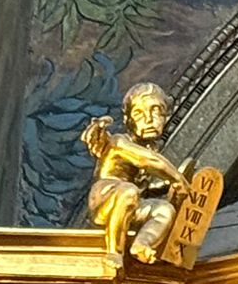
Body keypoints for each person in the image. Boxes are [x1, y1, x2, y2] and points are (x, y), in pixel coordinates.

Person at [80, 83, 190, 265]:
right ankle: (114, 252)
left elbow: (147, 184)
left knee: (164, 210)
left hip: (132, 203)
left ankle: (142, 244)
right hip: (106, 196)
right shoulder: (118, 142)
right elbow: (147, 160)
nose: (148, 119)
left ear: (167, 116)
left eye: (156, 111)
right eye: (139, 114)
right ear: (128, 120)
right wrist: (178, 179)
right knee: (128, 191)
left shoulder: (148, 148)